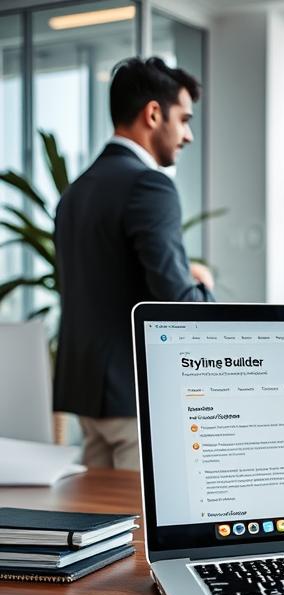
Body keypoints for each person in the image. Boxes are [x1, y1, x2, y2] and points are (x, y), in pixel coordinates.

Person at [54, 57, 214, 471]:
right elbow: (176, 301)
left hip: (87, 396)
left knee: (100, 528)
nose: (188, 135)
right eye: (183, 119)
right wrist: (202, 286)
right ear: (154, 113)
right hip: (135, 395)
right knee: (142, 530)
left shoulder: (75, 192)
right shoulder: (149, 185)